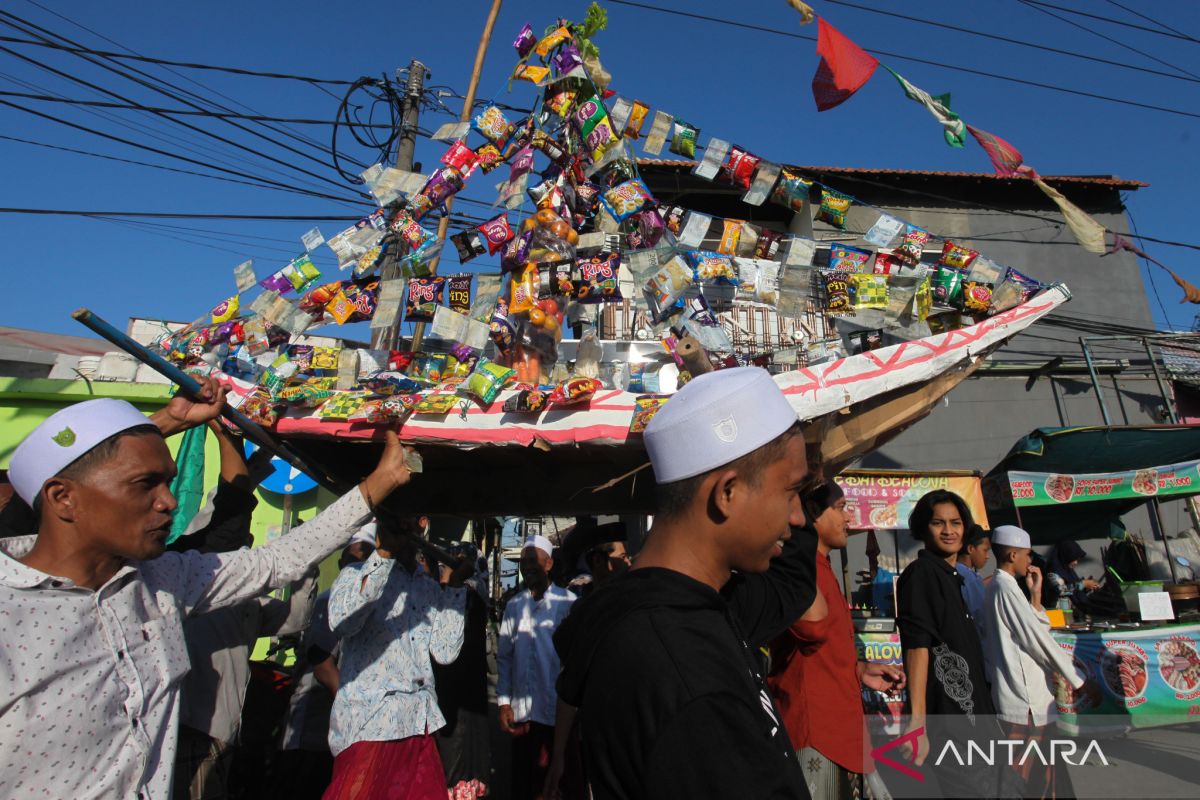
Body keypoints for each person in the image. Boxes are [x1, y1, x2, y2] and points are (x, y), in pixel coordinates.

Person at [0, 380, 417, 799]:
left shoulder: (164, 580)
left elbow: (274, 562)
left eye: (168, 483)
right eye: (145, 484)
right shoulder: (10, 611)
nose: (169, 502)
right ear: (63, 498)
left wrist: (379, 483)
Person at [553, 367, 824, 800]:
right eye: (791, 493)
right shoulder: (686, 671)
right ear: (728, 492)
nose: (796, 517)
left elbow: (790, 586)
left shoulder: (680, 614)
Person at [172, 419, 316, 800]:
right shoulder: (192, 576)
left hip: (225, 727)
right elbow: (219, 520)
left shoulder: (248, 600)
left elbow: (293, 619)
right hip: (187, 723)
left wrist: (305, 571)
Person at [323, 511, 474, 800]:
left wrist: (454, 588)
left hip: (420, 724)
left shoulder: (428, 587)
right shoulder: (354, 575)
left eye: (411, 518)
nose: (403, 524)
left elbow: (445, 653)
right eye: (396, 516)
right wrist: (382, 554)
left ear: (422, 524)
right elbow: (343, 621)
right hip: (371, 724)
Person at [769, 481, 905, 800]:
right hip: (816, 730)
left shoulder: (822, 568)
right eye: (841, 508)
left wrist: (858, 669)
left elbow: (820, 651)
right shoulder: (797, 570)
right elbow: (810, 632)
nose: (849, 519)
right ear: (812, 513)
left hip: (841, 729)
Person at [896, 489, 1004, 797]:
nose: (948, 530)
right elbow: (917, 647)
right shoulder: (922, 575)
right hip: (950, 720)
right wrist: (917, 722)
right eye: (938, 523)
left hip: (974, 719)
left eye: (955, 522)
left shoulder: (951, 576)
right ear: (923, 528)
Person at [271, 530, 376, 800]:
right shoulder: (329, 602)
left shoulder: (369, 607)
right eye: (353, 563)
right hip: (310, 733)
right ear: (341, 564)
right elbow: (323, 666)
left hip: (337, 737)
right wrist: (357, 711)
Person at [983, 526, 1087, 799]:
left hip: (1027, 697)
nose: (1029, 562)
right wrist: (1078, 680)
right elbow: (1037, 640)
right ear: (1013, 554)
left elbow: (1035, 628)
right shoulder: (1003, 588)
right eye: (1027, 555)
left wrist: (1036, 596)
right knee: (1027, 777)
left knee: (1042, 774)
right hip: (1024, 700)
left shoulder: (1005, 588)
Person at [498, 534, 577, 800]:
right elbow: (505, 658)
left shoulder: (568, 603)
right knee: (522, 784)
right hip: (522, 715)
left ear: (549, 564)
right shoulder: (513, 606)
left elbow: (574, 662)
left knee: (552, 787)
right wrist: (503, 702)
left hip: (555, 714)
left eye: (533, 560)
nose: (527, 566)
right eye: (523, 561)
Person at [433, 541, 492, 800]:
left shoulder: (466, 594)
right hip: (454, 690)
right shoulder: (461, 594)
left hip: (457, 689)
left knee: (456, 752)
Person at [956, 524, 992, 643]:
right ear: (971, 549)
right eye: (985, 550)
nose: (987, 557)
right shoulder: (970, 579)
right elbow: (982, 618)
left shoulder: (952, 571)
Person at [1046, 540, 1099, 608]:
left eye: (1077, 559)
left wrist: (1089, 586)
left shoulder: (1068, 570)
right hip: (1058, 614)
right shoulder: (1052, 571)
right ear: (1065, 556)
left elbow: (1074, 589)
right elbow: (1060, 590)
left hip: (1071, 613)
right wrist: (1083, 584)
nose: (1076, 562)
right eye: (1073, 559)